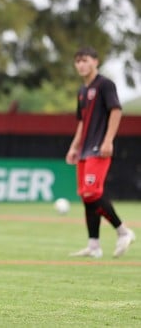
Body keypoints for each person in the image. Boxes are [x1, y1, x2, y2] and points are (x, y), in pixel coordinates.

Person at [65, 46, 135, 258]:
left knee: (92, 193)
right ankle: (94, 246)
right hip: (84, 149)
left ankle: (123, 231)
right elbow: (82, 122)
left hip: (99, 148)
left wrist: (108, 140)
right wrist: (74, 146)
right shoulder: (82, 91)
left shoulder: (105, 85)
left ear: (96, 61)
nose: (81, 64)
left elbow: (116, 110)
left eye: (85, 60)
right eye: (78, 61)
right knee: (86, 197)